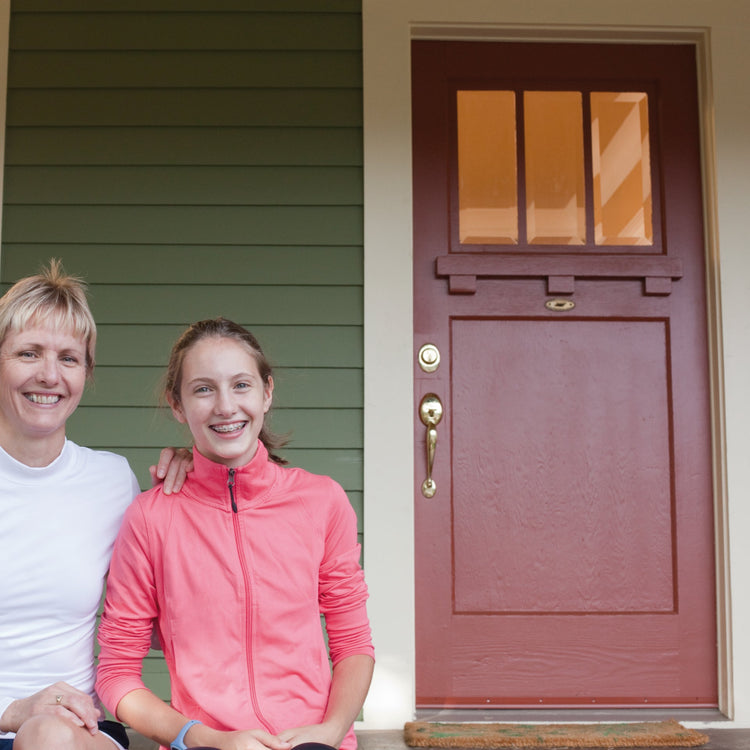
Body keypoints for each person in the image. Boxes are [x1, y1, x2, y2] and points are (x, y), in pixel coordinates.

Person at [96, 318, 375, 750]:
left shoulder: (321, 501)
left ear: (267, 392)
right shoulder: (151, 519)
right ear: (177, 404)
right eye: (203, 389)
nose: (225, 406)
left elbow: (353, 641)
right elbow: (116, 675)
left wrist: (332, 731)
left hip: (314, 741)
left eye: (241, 385)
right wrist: (204, 739)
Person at [0, 260, 190, 750]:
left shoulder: (110, 481)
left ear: (87, 372)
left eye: (68, 358)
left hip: (73, 733)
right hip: (17, 722)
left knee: (45, 738)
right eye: (27, 353)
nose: (48, 375)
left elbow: (154, 621)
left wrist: (200, 477)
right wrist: (14, 711)